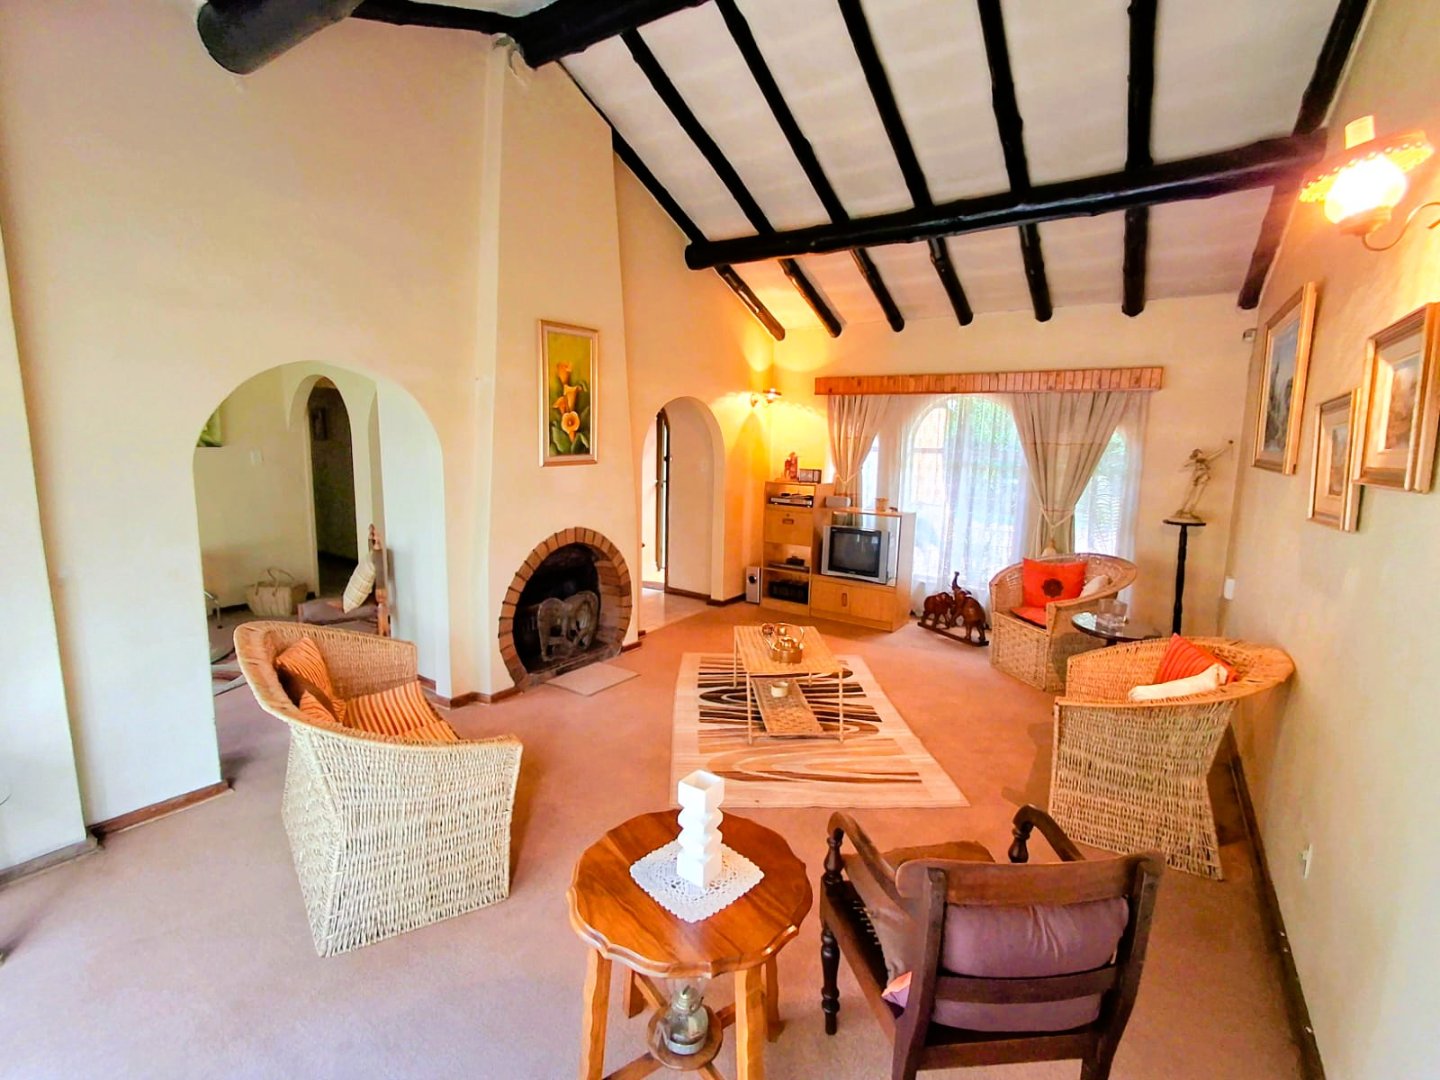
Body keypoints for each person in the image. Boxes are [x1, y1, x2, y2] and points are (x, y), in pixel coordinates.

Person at [1174, 443, 1231, 521]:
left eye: (1202, 454)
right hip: (1195, 478)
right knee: (1188, 494)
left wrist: (1226, 447)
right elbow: (1184, 465)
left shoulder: (1205, 461)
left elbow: (1216, 454)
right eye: (1200, 454)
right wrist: (1195, 461)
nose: (1202, 456)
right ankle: (1181, 509)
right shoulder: (1194, 462)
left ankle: (1190, 511)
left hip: (1203, 478)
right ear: (1196, 455)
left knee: (1197, 496)